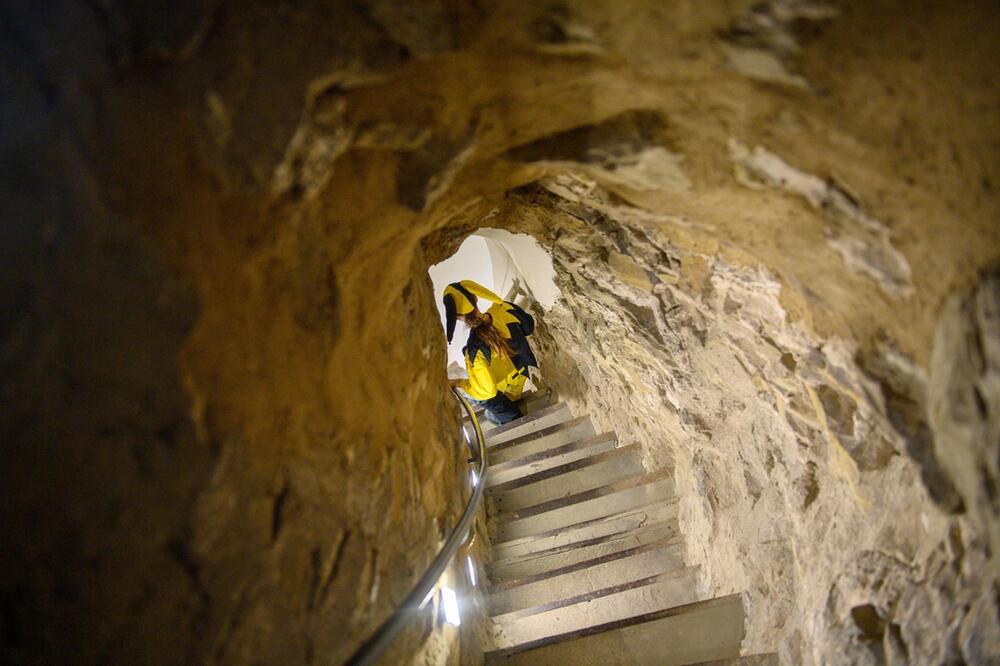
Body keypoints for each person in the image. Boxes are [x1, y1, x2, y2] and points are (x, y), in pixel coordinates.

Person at [443, 280, 538, 424]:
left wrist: (460, 383)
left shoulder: (473, 349)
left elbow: (487, 391)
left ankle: (510, 421)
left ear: (456, 317)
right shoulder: (504, 309)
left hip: (505, 387)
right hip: (523, 373)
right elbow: (529, 327)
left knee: (488, 410)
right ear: (475, 297)